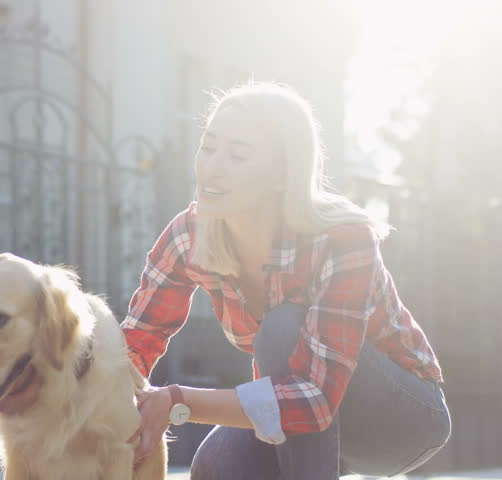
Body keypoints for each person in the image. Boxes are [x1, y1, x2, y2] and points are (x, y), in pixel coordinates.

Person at [123, 83, 450, 479]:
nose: (213, 166)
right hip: (302, 412)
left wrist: (177, 400)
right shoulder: (188, 236)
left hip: (402, 420)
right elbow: (134, 346)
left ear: (282, 174)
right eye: (208, 147)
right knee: (218, 466)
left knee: (283, 328)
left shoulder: (342, 239)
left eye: (237, 154)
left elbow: (314, 401)